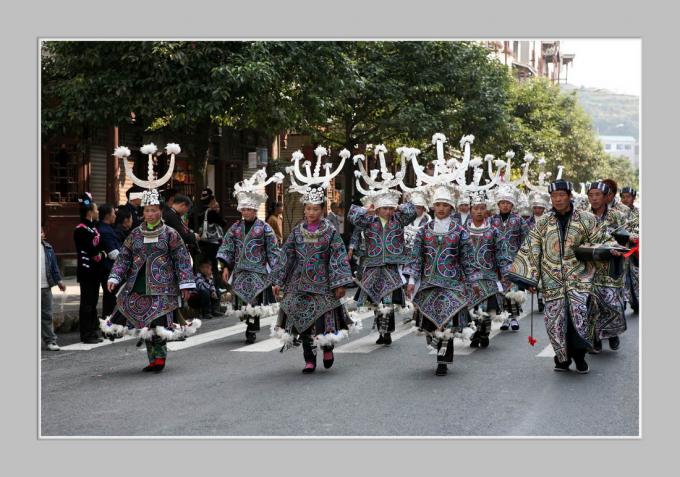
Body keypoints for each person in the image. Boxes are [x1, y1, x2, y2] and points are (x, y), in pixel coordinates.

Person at [508, 179, 623, 374]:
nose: (558, 199)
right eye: (554, 196)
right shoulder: (543, 222)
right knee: (555, 320)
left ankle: (579, 356)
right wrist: (529, 278)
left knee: (579, 315)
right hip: (551, 279)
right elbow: (532, 249)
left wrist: (612, 250)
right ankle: (562, 358)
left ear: (569, 197)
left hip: (580, 277)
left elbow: (602, 239)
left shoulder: (586, 219)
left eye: (562, 195)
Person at [272, 148, 356, 374]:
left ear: (322, 209)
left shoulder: (330, 232)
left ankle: (327, 348)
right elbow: (286, 255)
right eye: (308, 208)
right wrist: (279, 279)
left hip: (324, 284)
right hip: (299, 283)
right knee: (304, 322)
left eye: (315, 209)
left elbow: (338, 257)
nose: (310, 212)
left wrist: (339, 283)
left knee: (323, 321)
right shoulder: (297, 232)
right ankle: (309, 359)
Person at [407, 184, 476, 376]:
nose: (441, 208)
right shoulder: (424, 231)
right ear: (432, 207)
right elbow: (416, 257)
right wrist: (412, 280)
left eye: (445, 205)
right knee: (430, 323)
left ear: (451, 208)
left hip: (452, 283)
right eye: (437, 204)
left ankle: (442, 360)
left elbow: (467, 259)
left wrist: (473, 281)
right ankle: (436, 347)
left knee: (447, 322)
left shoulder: (460, 231)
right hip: (428, 283)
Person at [217, 169, 282, 344]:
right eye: (243, 209)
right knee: (243, 305)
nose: (245, 212)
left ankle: (252, 329)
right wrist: (225, 266)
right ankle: (248, 323)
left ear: (254, 210)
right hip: (239, 271)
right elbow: (227, 247)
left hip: (258, 272)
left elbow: (273, 250)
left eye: (249, 209)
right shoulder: (235, 228)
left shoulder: (265, 228)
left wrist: (274, 272)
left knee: (254, 302)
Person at [348, 189, 416, 345]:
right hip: (373, 264)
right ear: (377, 209)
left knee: (388, 300)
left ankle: (387, 332)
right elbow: (352, 216)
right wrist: (367, 209)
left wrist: (398, 207)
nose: (388, 211)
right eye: (384, 208)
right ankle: (381, 330)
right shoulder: (369, 221)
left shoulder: (398, 219)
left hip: (392, 265)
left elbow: (412, 210)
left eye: (390, 208)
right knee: (376, 299)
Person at [587, 181, 628, 353]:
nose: (594, 198)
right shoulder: (582, 216)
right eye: (591, 195)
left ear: (606, 197)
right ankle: (595, 338)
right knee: (591, 303)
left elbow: (625, 237)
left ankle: (612, 333)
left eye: (598, 195)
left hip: (612, 267)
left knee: (612, 302)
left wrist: (620, 248)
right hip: (588, 266)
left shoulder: (617, 216)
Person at [464, 192, 507, 349]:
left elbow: (502, 253)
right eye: (476, 208)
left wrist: (505, 272)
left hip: (488, 275)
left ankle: (484, 333)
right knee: (472, 307)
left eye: (482, 208)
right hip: (468, 276)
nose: (479, 211)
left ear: (486, 210)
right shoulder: (462, 231)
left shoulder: (493, 231)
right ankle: (476, 333)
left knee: (487, 308)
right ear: (470, 210)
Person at [490, 184, 530, 331]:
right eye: (502, 203)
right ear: (498, 204)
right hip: (496, 261)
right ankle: (505, 317)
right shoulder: (492, 220)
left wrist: (524, 258)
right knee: (501, 290)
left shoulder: (519, 220)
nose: (505, 206)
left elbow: (527, 240)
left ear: (512, 205)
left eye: (507, 203)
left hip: (514, 260)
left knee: (513, 290)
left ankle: (513, 318)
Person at [73, 192, 106, 344]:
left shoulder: (92, 227)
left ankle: (93, 331)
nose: (98, 211)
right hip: (87, 270)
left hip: (95, 271)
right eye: (96, 209)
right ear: (90, 211)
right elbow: (94, 252)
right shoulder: (81, 229)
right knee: (87, 303)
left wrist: (101, 253)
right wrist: (103, 254)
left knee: (92, 303)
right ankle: (86, 334)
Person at [41, 225, 66, 351]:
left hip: (45, 286)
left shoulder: (48, 248)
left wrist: (59, 281)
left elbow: (54, 268)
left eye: (40, 232)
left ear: (43, 234)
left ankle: (50, 340)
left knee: (47, 315)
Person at [95, 204, 120, 318]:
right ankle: (109, 327)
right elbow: (113, 253)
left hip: (110, 269)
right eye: (113, 213)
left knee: (111, 298)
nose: (115, 215)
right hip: (108, 270)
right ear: (108, 215)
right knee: (110, 299)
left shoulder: (106, 228)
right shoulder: (104, 230)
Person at [620, 187, 639, 313]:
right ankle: (623, 303)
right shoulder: (617, 212)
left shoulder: (638, 212)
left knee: (635, 276)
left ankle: (636, 302)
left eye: (628, 196)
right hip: (621, 249)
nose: (625, 199)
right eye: (623, 196)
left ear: (633, 197)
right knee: (622, 277)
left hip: (635, 250)